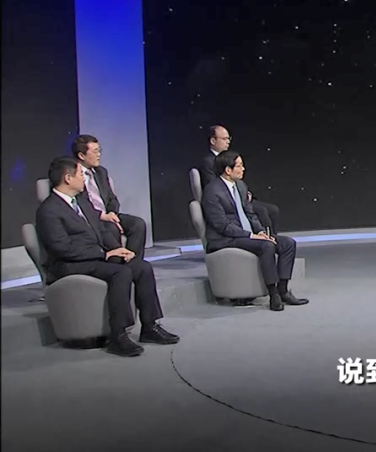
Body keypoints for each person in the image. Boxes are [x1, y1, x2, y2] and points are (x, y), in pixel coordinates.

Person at [35, 157, 179, 357]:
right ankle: (117, 336)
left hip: (92, 258)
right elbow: (62, 248)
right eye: (80, 174)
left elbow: (101, 231)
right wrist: (104, 254)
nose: (84, 179)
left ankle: (149, 326)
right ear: (68, 178)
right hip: (67, 265)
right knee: (120, 273)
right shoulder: (49, 210)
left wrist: (119, 249)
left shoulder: (82, 203)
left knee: (141, 267)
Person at [201, 150, 307, 311]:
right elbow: (222, 225)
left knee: (287, 243)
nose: (243, 169)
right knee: (266, 246)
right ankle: (273, 295)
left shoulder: (240, 186)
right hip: (225, 239)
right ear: (228, 170)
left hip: (246, 235)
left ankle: (283, 290)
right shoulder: (212, 191)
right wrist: (251, 236)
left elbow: (250, 214)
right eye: (239, 166)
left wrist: (261, 232)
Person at [71, 134, 148, 260]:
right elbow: (79, 203)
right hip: (90, 218)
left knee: (137, 224)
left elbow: (112, 199)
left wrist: (112, 213)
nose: (99, 155)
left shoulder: (101, 172)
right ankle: (117, 263)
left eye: (99, 150)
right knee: (111, 228)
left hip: (108, 215)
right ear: (81, 155)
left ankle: (133, 263)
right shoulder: (73, 174)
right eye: (95, 151)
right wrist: (102, 216)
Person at [200, 125, 281, 235]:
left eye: (229, 138)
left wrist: (244, 192)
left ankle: (272, 238)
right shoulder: (208, 162)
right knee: (262, 211)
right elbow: (212, 187)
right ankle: (264, 239)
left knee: (273, 210)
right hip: (228, 200)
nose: (228, 142)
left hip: (240, 195)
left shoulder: (229, 156)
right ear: (213, 141)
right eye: (224, 139)